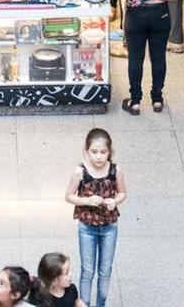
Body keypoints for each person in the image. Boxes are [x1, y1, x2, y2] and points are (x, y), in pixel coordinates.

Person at [116, 0, 179, 114]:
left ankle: (135, 101)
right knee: (158, 57)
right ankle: (157, 99)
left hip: (135, 16)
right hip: (160, 16)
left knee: (136, 58)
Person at [64, 128, 125, 307]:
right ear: (86, 151)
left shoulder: (115, 170)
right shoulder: (80, 171)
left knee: (105, 270)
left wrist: (114, 200)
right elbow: (69, 195)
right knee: (87, 271)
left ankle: (101, 304)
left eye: (103, 152)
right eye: (94, 152)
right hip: (87, 226)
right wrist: (87, 200)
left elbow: (122, 192)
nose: (99, 157)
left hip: (109, 226)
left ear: (110, 152)